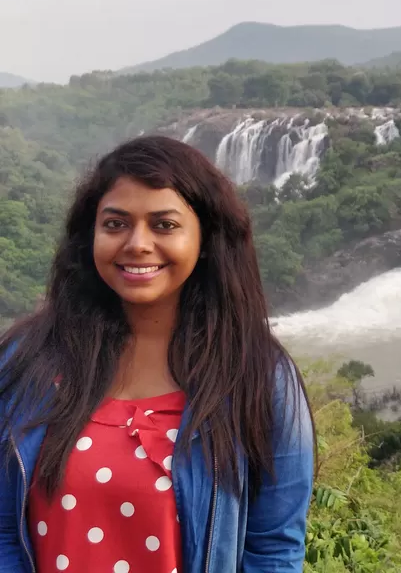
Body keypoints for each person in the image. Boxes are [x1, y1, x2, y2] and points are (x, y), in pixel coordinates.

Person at [0, 136, 315, 573]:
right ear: (89, 234)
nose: (137, 244)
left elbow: (274, 551)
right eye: (115, 224)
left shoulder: (257, 377)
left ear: (204, 239)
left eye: (164, 225)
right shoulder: (26, 360)